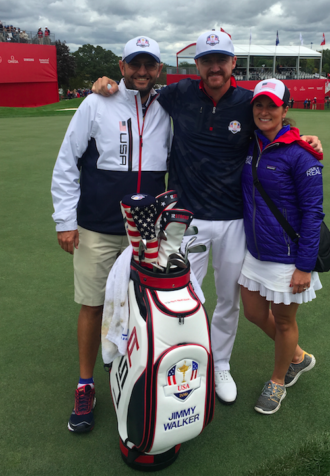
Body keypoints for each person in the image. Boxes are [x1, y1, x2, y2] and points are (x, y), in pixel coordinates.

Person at [92, 30, 322, 406]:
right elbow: (137, 89)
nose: (214, 66)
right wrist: (105, 83)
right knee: (181, 296)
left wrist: (306, 138)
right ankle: (180, 362)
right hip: (187, 219)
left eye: (222, 59)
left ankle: (220, 365)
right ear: (197, 65)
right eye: (207, 60)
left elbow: (276, 127)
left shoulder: (249, 103)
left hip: (234, 221)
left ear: (233, 63)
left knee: (229, 302)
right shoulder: (178, 94)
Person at [51, 36, 171, 433]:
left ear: (158, 70)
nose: (141, 72)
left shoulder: (167, 107)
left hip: (146, 230)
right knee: (92, 305)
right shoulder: (95, 102)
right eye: (134, 64)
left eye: (148, 65)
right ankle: (86, 383)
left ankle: (142, 374)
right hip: (97, 227)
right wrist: (64, 220)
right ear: (121, 66)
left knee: (146, 306)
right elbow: (67, 162)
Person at [238, 79, 323, 414]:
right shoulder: (249, 144)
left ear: (285, 109)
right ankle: (299, 357)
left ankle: (277, 382)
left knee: (284, 321)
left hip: (288, 258)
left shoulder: (301, 153)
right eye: (259, 105)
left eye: (272, 105)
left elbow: (313, 212)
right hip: (255, 251)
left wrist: (304, 265)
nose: (264, 111)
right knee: (255, 314)